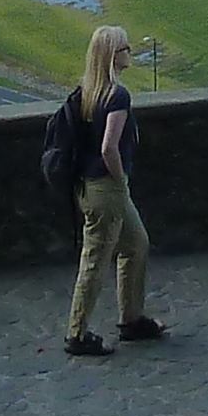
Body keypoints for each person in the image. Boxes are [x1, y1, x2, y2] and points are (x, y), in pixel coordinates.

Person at [62, 24, 165, 360]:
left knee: (136, 244)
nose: (129, 53)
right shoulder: (117, 96)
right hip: (107, 188)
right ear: (112, 56)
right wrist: (121, 181)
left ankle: (131, 319)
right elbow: (109, 148)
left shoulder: (87, 92)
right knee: (95, 259)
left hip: (90, 187)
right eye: (124, 48)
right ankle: (76, 333)